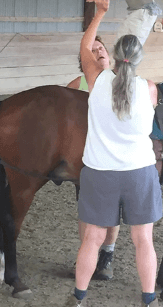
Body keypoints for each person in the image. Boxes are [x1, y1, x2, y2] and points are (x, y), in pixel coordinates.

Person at [66, 0, 162, 307]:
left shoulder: (97, 80)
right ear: (137, 59)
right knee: (142, 240)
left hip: (99, 173)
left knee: (92, 239)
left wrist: (102, 12)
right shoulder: (149, 88)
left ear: (113, 55)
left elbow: (84, 46)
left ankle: (79, 297)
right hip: (139, 172)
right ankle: (148, 299)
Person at [67, 36, 119, 281]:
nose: (99, 52)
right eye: (93, 50)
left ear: (109, 55)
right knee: (86, 211)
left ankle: (107, 255)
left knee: (113, 211)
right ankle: (88, 255)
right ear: (84, 60)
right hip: (85, 159)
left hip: (116, 159)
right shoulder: (76, 85)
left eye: (102, 49)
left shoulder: (123, 83)